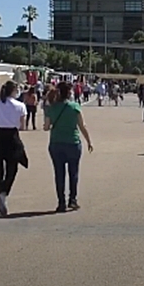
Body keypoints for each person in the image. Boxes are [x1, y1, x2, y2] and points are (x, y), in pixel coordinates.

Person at [44, 82, 94, 212]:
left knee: (59, 173)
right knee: (74, 172)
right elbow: (82, 126)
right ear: (69, 93)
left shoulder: (52, 108)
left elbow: (46, 127)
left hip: (56, 143)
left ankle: (61, 202)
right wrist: (89, 141)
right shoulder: (75, 106)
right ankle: (73, 199)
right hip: (73, 142)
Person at [0, 81, 28, 216]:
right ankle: (4, 192)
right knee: (12, 167)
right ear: (14, 91)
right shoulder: (20, 106)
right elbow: (22, 126)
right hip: (12, 137)